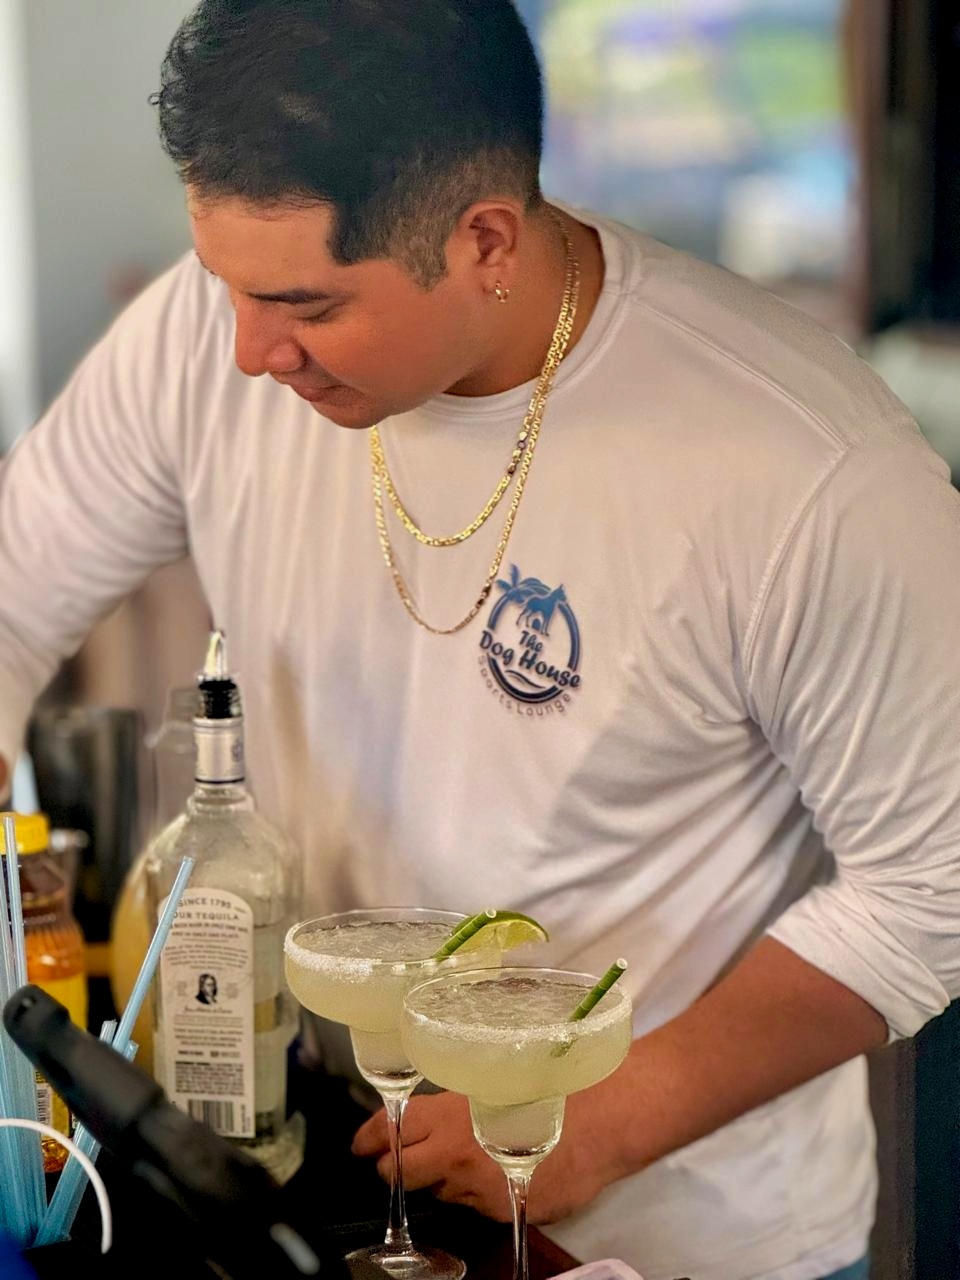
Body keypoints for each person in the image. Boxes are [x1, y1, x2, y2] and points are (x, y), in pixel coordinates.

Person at [0, 2, 957, 1277]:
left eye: (303, 303)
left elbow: (931, 887)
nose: (243, 349)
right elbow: (14, 590)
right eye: (222, 284)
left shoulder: (803, 466)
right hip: (354, 1160)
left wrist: (600, 1120)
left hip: (679, 1231)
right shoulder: (209, 333)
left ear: (485, 239)